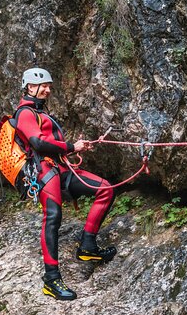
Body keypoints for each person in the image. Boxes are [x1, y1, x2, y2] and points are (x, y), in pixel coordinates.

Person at [15, 68, 116, 300]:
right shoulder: (25, 113)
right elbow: (37, 143)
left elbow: (50, 142)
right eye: (44, 86)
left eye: (49, 86)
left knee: (105, 189)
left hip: (60, 168)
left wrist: (73, 147)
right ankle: (51, 279)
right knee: (53, 217)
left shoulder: (40, 113)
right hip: (43, 171)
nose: (49, 90)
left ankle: (88, 246)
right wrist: (72, 147)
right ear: (30, 87)